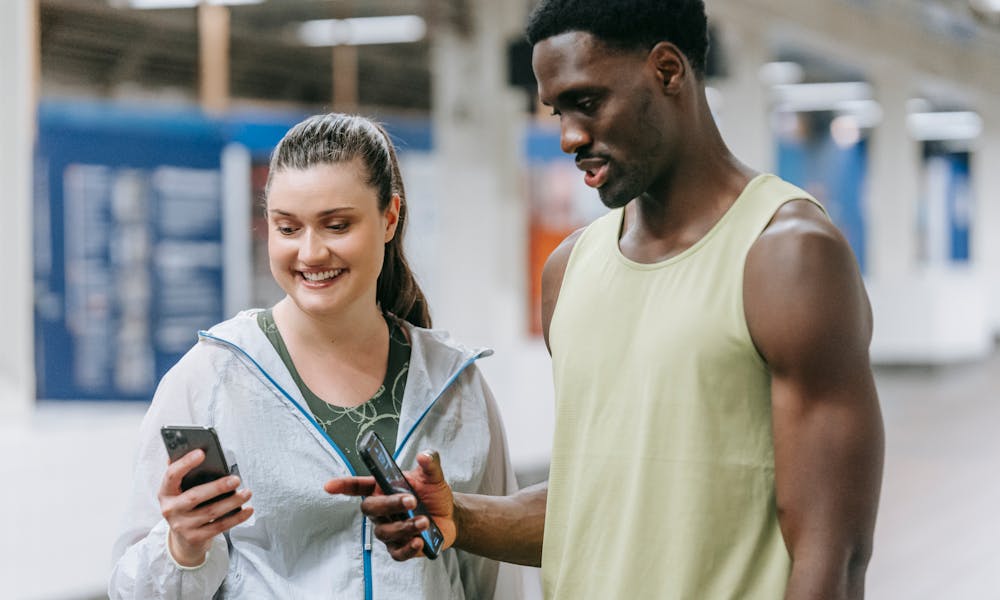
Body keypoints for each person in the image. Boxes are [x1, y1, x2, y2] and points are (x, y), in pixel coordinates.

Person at [326, 0, 885, 598]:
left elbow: (833, 555)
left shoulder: (786, 255)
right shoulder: (570, 270)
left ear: (668, 71)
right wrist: (456, 514)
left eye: (588, 102)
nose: (569, 136)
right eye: (557, 110)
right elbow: (595, 505)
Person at [109, 113, 520, 599]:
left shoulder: (453, 384)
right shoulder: (214, 376)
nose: (310, 252)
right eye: (287, 228)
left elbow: (495, 581)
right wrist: (182, 546)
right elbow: (132, 591)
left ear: (389, 218)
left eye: (337, 225)